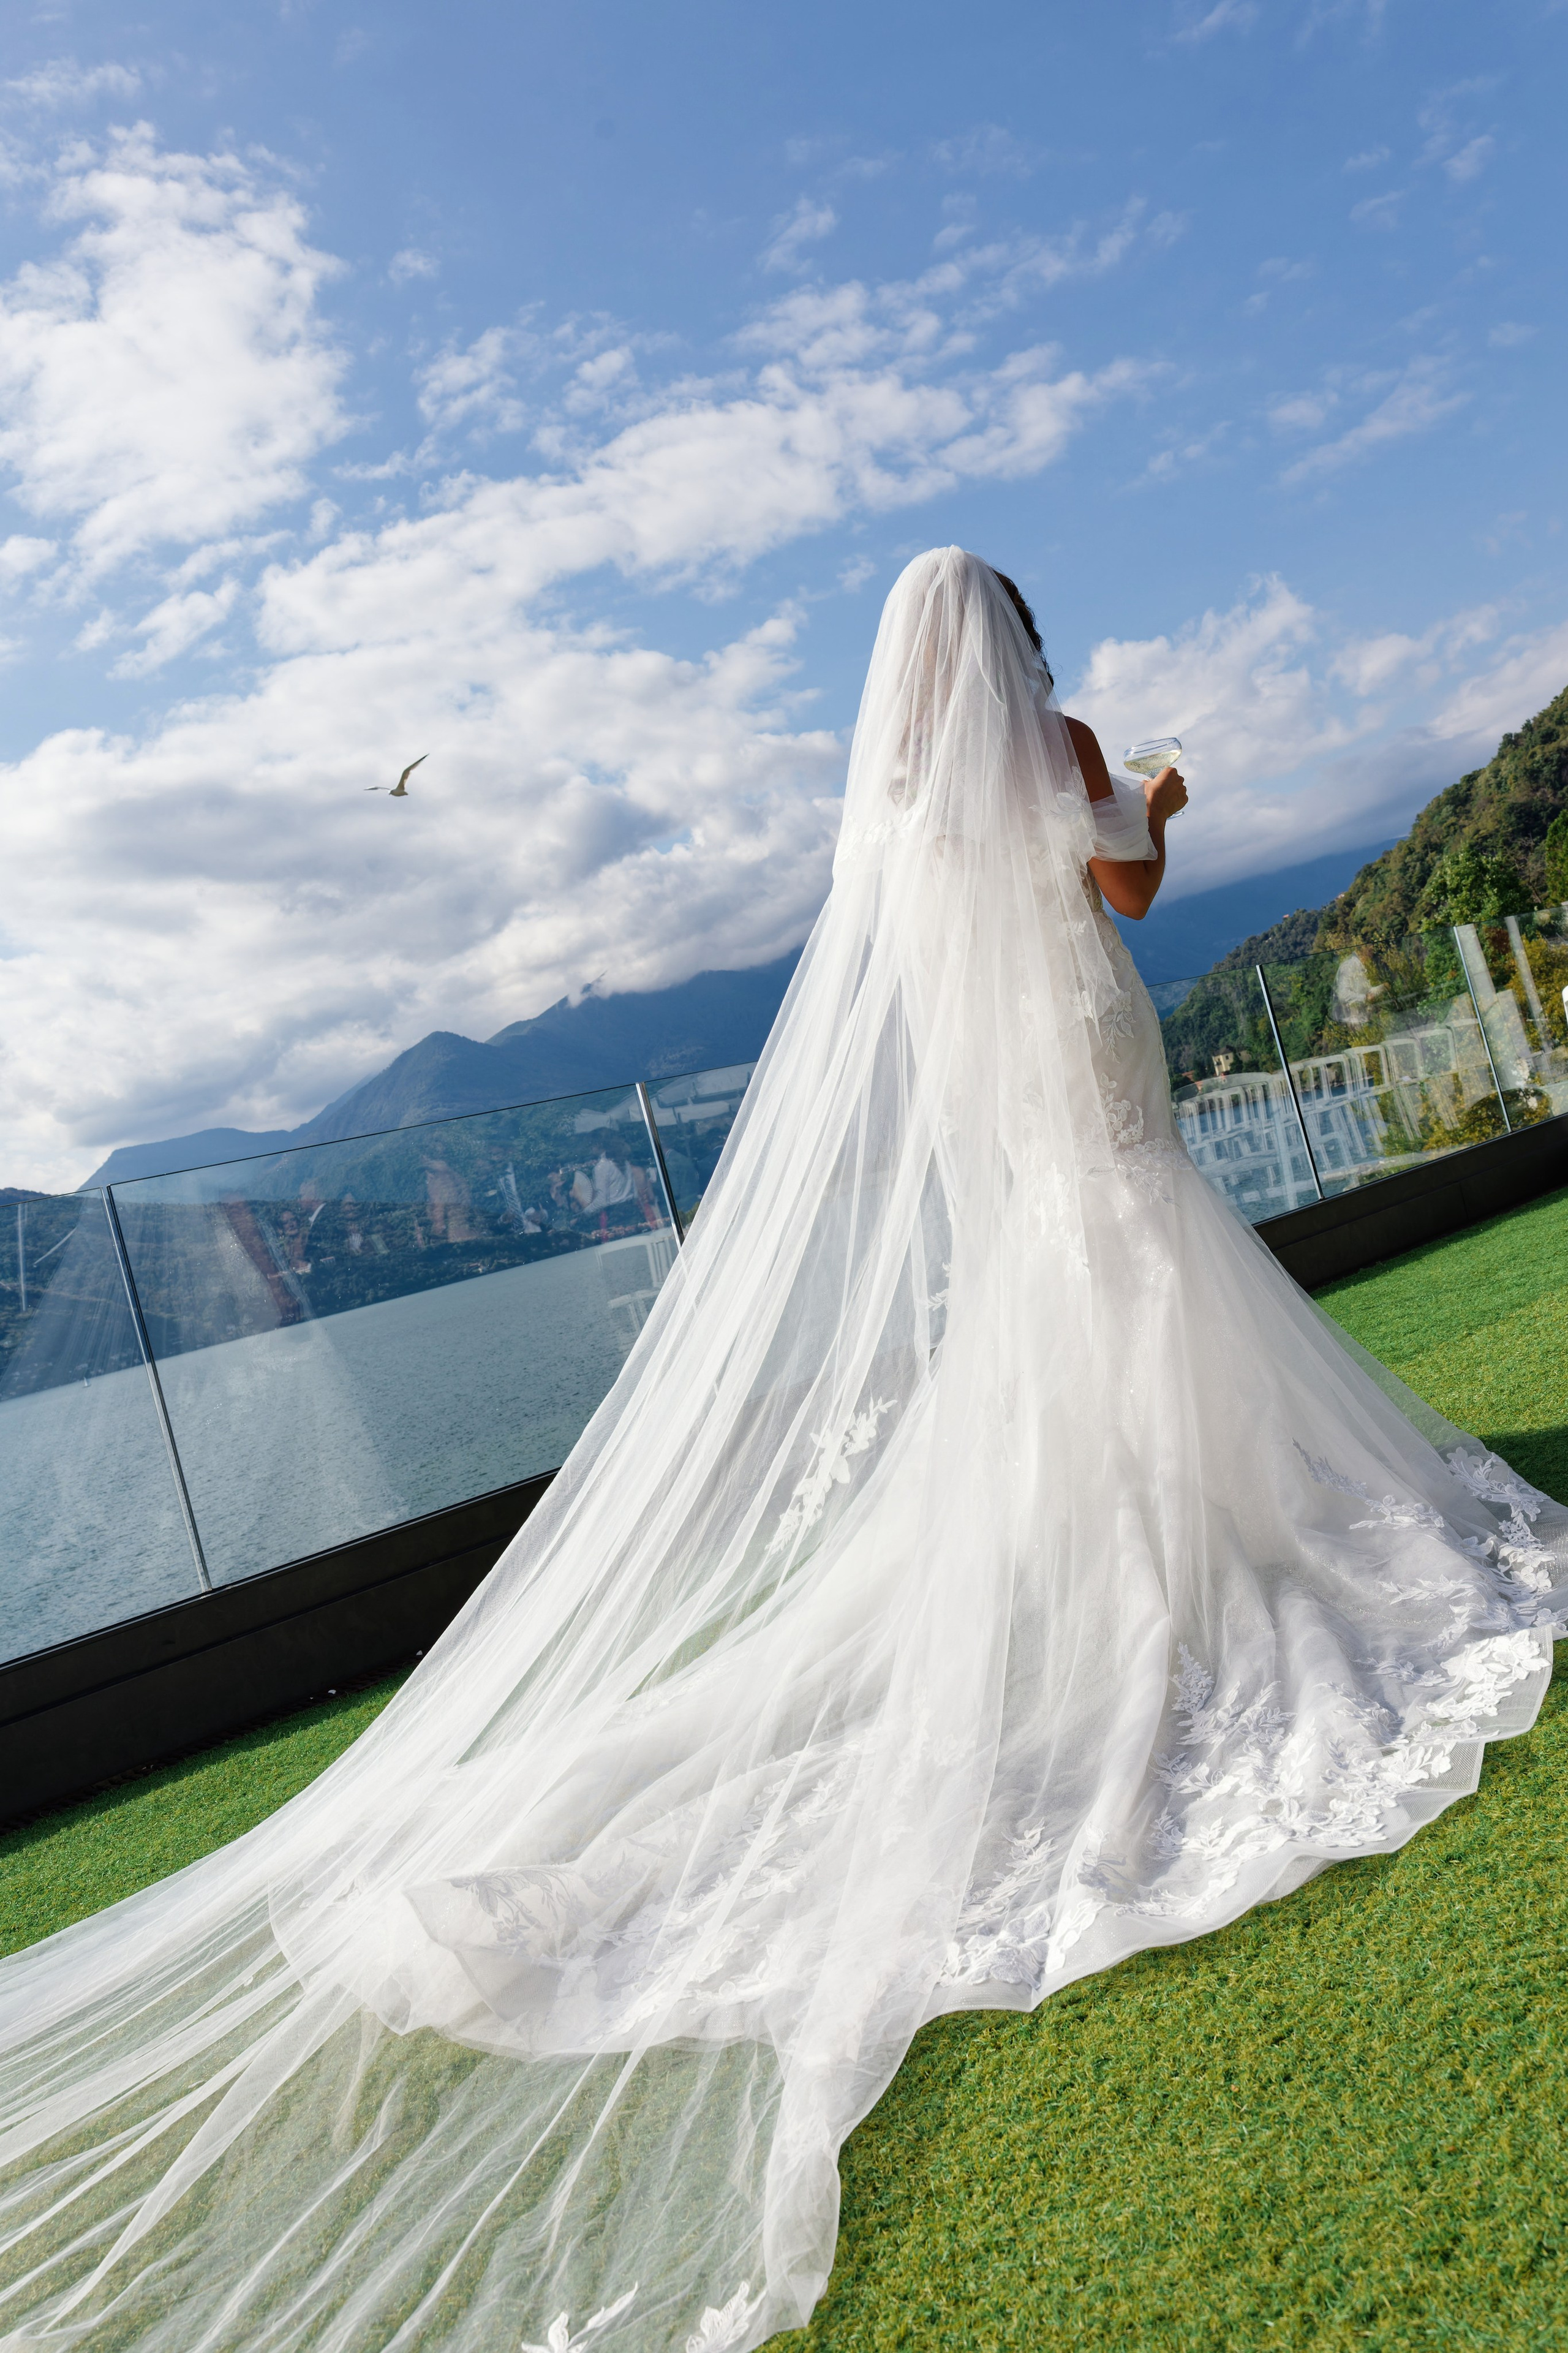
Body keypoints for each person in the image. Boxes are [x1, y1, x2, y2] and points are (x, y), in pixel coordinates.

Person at [1, 551, 1562, 2353]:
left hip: (1021, 1102)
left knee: (1072, 1286)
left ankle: (1123, 1530)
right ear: (1016, 645)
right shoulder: (1055, 737)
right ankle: (1193, 1527)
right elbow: (1125, 885)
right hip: (1094, 1051)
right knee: (1144, 1251)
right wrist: (1164, 794)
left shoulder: (897, 804)